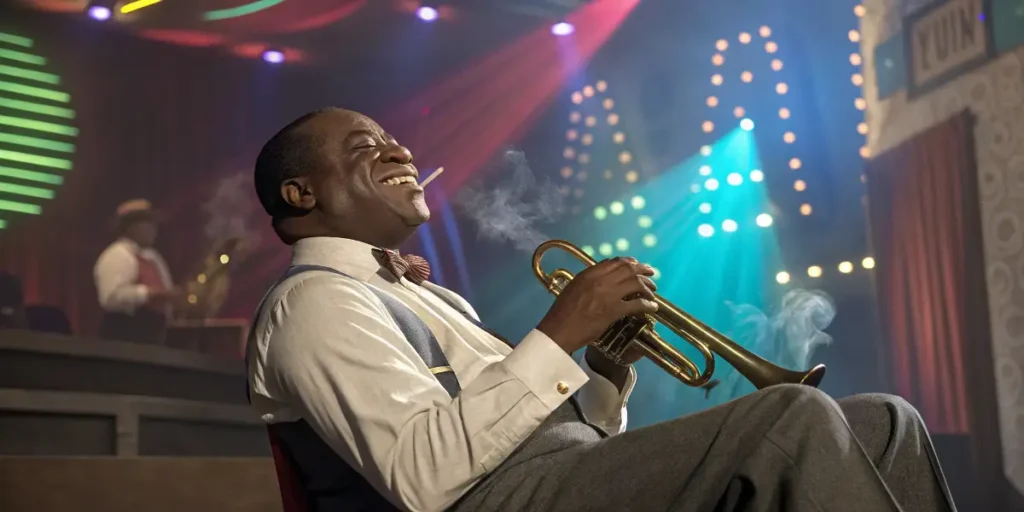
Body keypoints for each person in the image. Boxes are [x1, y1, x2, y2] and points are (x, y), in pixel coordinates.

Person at [247, 108, 957, 512]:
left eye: (392, 138)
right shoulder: (313, 302)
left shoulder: (423, 293)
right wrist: (558, 329)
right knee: (791, 418)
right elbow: (424, 476)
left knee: (883, 421)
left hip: (552, 480)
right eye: (366, 148)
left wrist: (604, 370)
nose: (399, 148)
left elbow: (542, 431)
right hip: (488, 504)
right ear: (302, 194)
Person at [94, 199, 179, 344]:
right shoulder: (116, 255)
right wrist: (150, 293)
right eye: (148, 223)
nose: (154, 229)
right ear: (130, 227)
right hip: (126, 336)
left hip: (155, 334)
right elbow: (111, 298)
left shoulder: (154, 258)